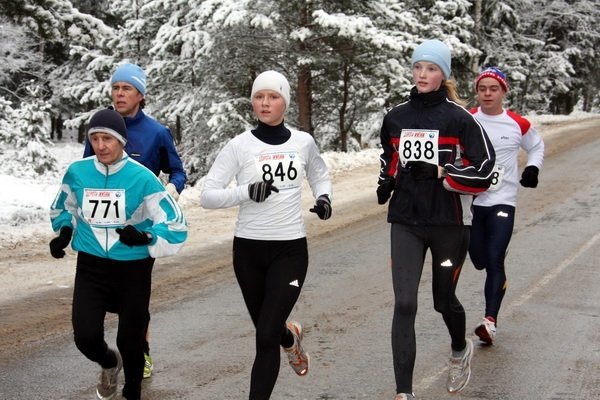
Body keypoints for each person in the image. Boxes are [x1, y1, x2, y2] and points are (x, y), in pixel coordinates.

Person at [200, 70, 332, 400]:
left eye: (272, 97)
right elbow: (207, 195)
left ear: (285, 102)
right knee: (268, 331)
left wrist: (324, 198)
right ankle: (289, 339)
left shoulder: (303, 142)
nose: (265, 103)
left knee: (264, 335)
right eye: (259, 97)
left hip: (289, 250)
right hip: (248, 252)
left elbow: (319, 174)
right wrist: (246, 192)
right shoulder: (239, 146)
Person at [376, 39, 496, 400]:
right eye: (417, 67)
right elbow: (389, 156)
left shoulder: (460, 118)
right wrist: (386, 182)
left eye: (430, 68)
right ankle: (404, 393)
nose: (422, 74)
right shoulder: (396, 116)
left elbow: (486, 170)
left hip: (448, 222)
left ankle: (459, 348)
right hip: (406, 221)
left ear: (443, 74)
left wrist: (443, 172)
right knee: (404, 303)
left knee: (443, 300)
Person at [49, 109, 188, 400]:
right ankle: (109, 363)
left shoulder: (143, 178)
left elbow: (175, 224)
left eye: (108, 139)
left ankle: (133, 391)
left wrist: (146, 237)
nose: (101, 145)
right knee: (85, 336)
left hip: (133, 269)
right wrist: (64, 232)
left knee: (131, 340)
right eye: (95, 138)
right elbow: (65, 207)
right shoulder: (78, 172)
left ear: (122, 141)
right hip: (91, 266)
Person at [83, 62, 187, 378]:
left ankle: (140, 354)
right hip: (100, 230)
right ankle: (106, 354)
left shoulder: (157, 133)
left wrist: (169, 192)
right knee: (99, 297)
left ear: (140, 94)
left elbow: (179, 172)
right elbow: (86, 171)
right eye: (115, 88)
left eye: (126, 88)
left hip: (139, 233)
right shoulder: (99, 129)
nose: (119, 94)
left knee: (133, 302)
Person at [468, 67, 544, 345]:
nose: (487, 93)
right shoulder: (467, 120)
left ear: (503, 91)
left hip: (503, 201)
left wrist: (532, 169)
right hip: (472, 202)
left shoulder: (517, 123)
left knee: (495, 259)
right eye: (483, 88)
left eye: (494, 88)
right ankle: (498, 279)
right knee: (479, 260)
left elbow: (536, 146)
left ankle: (490, 321)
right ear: (477, 91)